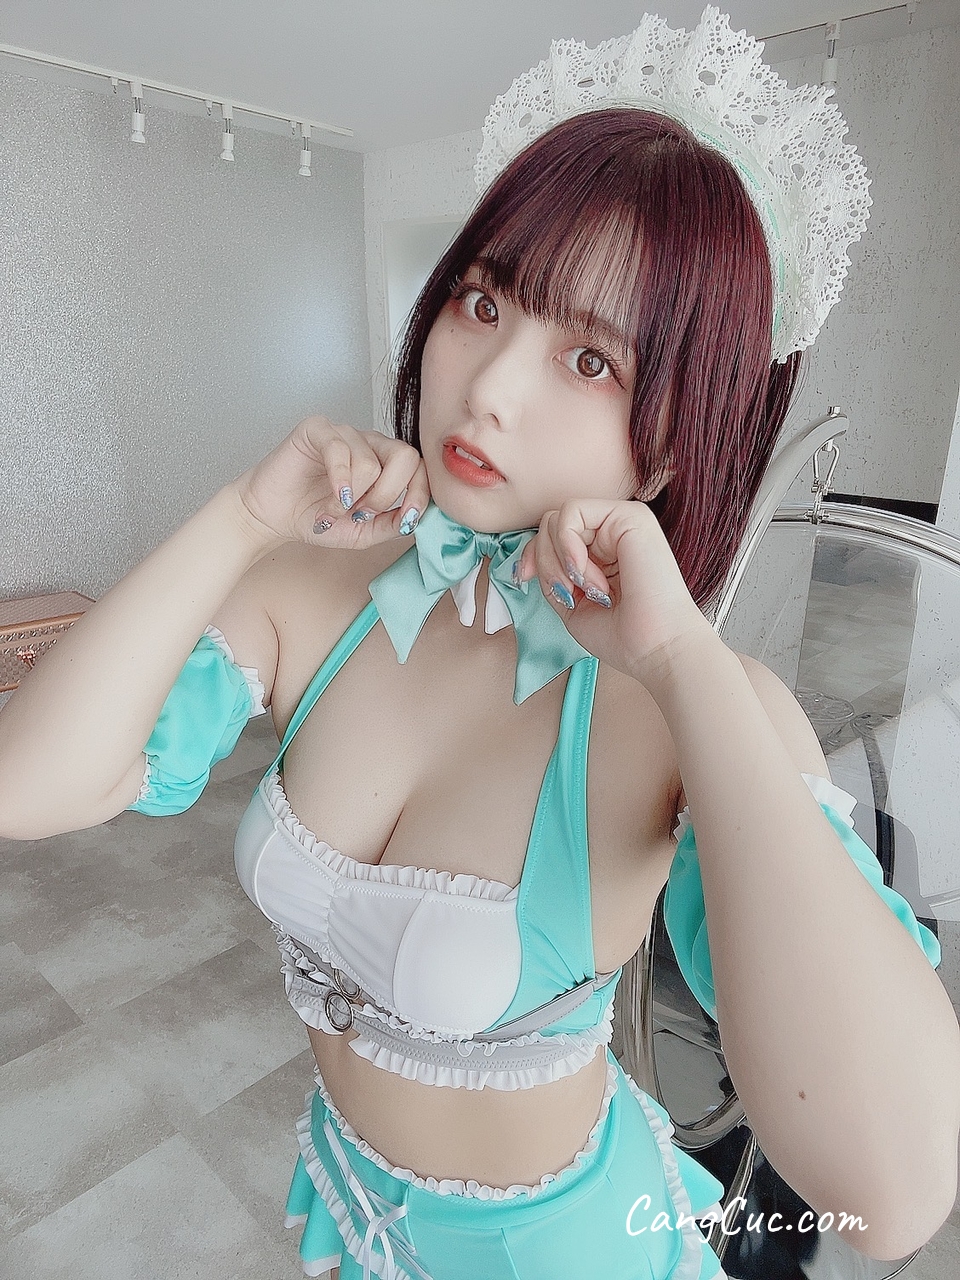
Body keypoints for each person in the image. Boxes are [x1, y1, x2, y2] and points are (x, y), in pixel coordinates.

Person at [1, 8, 957, 1279]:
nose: (489, 387)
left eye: (589, 359)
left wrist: (681, 664)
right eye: (483, 298)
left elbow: (890, 1194)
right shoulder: (315, 589)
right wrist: (239, 517)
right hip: (350, 1206)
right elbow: (29, 783)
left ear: (673, 443)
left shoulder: (683, 708)